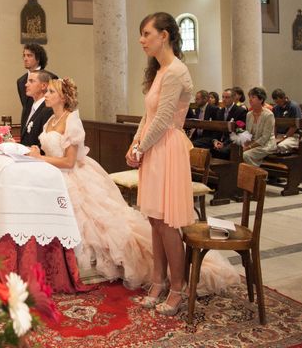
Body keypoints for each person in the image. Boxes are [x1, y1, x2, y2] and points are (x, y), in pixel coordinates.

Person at [28, 77, 239, 297]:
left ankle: (160, 274)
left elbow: (69, 162)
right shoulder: (50, 121)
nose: (47, 95)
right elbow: (53, 153)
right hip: (56, 175)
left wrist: (39, 159)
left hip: (73, 176)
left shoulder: (71, 120)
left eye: (51, 91)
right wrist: (39, 152)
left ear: (63, 97)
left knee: (97, 224)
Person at [126, 12, 237, 316]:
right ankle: (158, 281)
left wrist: (140, 147)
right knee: (154, 219)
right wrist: (134, 144)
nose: (141, 40)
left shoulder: (176, 71)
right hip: (153, 147)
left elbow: (163, 120)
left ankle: (178, 286)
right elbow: (147, 116)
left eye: (146, 33)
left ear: (165, 35)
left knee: (168, 223)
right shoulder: (160, 71)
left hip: (167, 147)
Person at [242, 87, 277, 166]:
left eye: (253, 97)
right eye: (249, 97)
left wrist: (248, 147)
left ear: (261, 100)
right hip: (253, 143)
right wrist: (244, 144)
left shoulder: (268, 115)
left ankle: (259, 175)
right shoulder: (249, 114)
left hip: (266, 144)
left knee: (246, 155)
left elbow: (265, 137)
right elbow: (248, 133)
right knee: (236, 152)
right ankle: (245, 176)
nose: (250, 99)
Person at [17, 43, 48, 129]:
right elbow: (25, 106)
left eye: (29, 55)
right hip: (26, 124)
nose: (25, 59)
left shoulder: (50, 78)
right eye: (24, 55)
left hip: (43, 125)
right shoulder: (21, 81)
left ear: (38, 59)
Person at [20, 70, 53, 148]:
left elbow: (43, 143)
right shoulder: (28, 108)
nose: (26, 84)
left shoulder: (48, 109)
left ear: (43, 86)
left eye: (31, 81)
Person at [212, 88, 247, 159]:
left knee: (221, 151)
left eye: (227, 97)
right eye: (223, 97)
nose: (224, 99)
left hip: (232, 141)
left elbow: (239, 131)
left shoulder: (240, 111)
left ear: (233, 98)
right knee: (207, 148)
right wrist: (215, 140)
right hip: (220, 140)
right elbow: (216, 129)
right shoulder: (220, 111)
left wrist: (224, 144)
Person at [271, 89, 302, 154]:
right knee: (267, 145)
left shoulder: (294, 107)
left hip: (293, 136)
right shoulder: (276, 108)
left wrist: (284, 137)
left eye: (279, 102)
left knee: (280, 146)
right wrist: (274, 137)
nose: (278, 104)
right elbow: (275, 124)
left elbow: (295, 125)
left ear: (284, 98)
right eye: (276, 102)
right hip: (279, 135)